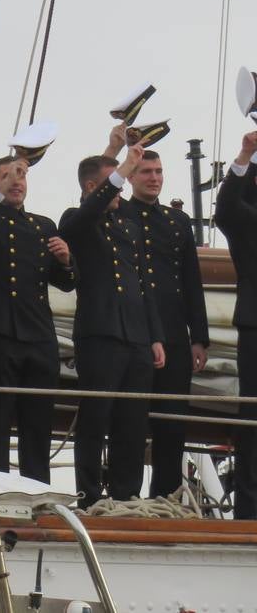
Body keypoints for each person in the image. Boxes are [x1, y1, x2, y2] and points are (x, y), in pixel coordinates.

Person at [59, 142, 165, 508]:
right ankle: (89, 495)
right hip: (100, 334)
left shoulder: (129, 226)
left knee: (133, 421)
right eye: (114, 183)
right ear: (93, 187)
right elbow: (83, 218)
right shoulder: (78, 219)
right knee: (96, 418)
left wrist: (155, 336)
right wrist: (121, 169)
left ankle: (126, 494)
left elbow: (142, 285)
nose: (120, 190)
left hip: (135, 335)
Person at [0, 155, 75, 483]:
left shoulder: (42, 226)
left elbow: (65, 281)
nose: (17, 181)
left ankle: (37, 491)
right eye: (9, 176)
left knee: (38, 420)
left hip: (38, 335)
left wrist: (67, 261)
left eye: (22, 176)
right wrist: (0, 189)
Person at [107, 128, 210, 498]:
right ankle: (124, 496)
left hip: (173, 334)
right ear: (132, 177)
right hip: (132, 333)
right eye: (146, 172)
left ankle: (166, 496)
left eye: (159, 172)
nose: (154, 178)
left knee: (171, 423)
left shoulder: (177, 222)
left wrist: (199, 337)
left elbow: (192, 282)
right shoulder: (118, 213)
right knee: (130, 422)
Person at [213, 131, 257, 519]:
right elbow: (224, 209)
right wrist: (245, 154)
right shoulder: (247, 220)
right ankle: (250, 511)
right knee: (254, 419)